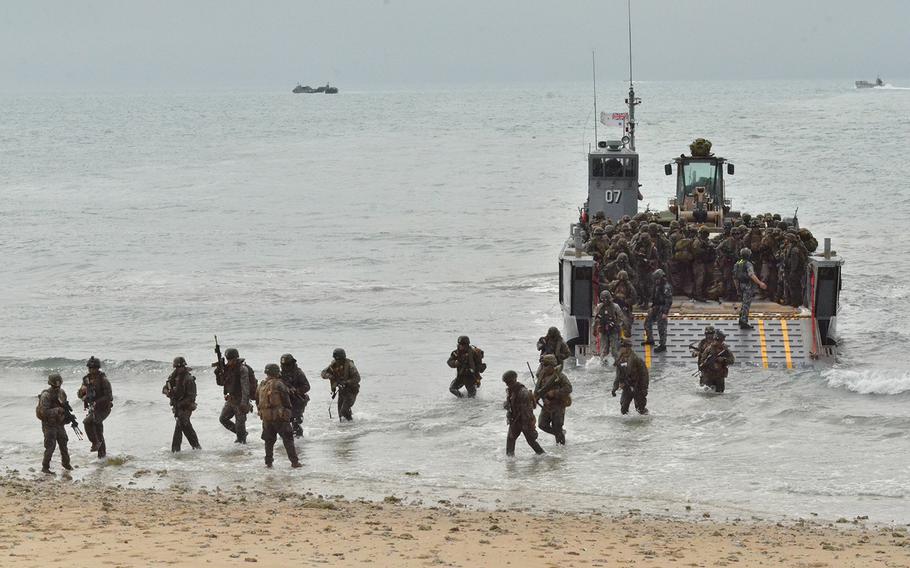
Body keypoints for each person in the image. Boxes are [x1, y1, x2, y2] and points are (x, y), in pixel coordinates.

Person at [256, 364, 302, 468]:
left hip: (266, 418)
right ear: (277, 372)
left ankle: (268, 463)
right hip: (280, 417)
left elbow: (257, 400)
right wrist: (288, 412)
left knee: (269, 441)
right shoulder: (279, 384)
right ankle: (294, 463)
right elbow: (286, 400)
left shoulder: (261, 384)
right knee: (288, 439)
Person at [215, 347, 254, 444]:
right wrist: (218, 373)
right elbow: (221, 383)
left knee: (240, 424)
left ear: (236, 358)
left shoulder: (242, 369)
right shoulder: (228, 369)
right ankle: (242, 434)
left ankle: (242, 448)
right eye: (228, 360)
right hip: (231, 399)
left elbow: (246, 388)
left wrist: (244, 403)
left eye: (231, 360)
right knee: (223, 419)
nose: (229, 362)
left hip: (241, 400)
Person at [36, 373, 73, 474]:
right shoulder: (46, 395)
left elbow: (65, 407)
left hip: (59, 423)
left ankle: (66, 464)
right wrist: (57, 410)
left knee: (64, 443)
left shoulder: (62, 393)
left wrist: (67, 417)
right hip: (49, 424)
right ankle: (45, 467)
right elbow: (44, 412)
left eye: (59, 384)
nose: (57, 387)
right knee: (50, 445)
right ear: (51, 384)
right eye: (55, 385)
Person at [502, 370, 545, 456]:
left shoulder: (523, 392)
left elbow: (527, 411)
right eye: (506, 382)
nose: (507, 384)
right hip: (515, 419)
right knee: (510, 440)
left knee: (531, 441)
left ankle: (543, 455)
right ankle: (510, 461)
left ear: (514, 380)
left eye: (509, 382)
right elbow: (510, 404)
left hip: (524, 420)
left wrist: (528, 425)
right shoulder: (510, 390)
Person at [162, 356, 200, 452]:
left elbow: (191, 397)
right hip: (177, 406)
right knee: (186, 427)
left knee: (180, 426)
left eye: (180, 367)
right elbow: (164, 389)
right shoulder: (173, 377)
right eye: (177, 368)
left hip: (186, 407)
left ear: (184, 366)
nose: (179, 369)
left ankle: (176, 451)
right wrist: (168, 392)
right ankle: (196, 448)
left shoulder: (189, 379)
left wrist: (180, 404)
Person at [78, 356, 113, 458]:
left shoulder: (103, 380)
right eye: (90, 368)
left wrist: (96, 402)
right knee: (98, 430)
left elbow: (109, 397)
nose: (92, 370)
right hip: (93, 408)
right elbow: (80, 395)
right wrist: (82, 392)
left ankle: (95, 443)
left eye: (94, 368)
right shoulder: (86, 380)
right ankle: (102, 456)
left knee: (88, 422)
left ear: (98, 368)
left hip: (103, 408)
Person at [534, 354, 572, 445]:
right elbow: (539, 390)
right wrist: (538, 397)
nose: (544, 367)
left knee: (557, 426)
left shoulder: (560, 376)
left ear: (552, 365)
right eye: (543, 365)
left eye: (546, 365)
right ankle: (559, 434)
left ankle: (561, 450)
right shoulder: (541, 376)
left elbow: (569, 388)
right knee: (542, 425)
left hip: (558, 405)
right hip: (547, 405)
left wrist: (555, 392)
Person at [321, 348, 361, 420]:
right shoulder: (334, 364)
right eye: (336, 359)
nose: (337, 361)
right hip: (342, 391)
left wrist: (346, 382)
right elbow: (323, 374)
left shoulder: (349, 365)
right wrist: (332, 377)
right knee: (340, 414)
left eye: (339, 359)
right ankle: (347, 428)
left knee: (344, 411)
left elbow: (357, 378)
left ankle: (351, 425)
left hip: (351, 390)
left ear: (343, 358)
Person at [734, 247, 768, 329]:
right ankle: (744, 322)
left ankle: (741, 319)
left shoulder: (738, 263)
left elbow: (734, 276)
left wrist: (737, 288)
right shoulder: (748, 264)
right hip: (747, 285)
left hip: (740, 284)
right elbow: (751, 275)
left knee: (743, 302)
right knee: (746, 304)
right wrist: (760, 283)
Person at [612, 339, 649, 415]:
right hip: (627, 387)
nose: (620, 349)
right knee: (624, 408)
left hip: (638, 386)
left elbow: (644, 374)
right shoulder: (620, 359)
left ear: (627, 348)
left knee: (640, 409)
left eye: (622, 347)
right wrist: (614, 388)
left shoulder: (636, 359)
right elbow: (618, 375)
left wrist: (644, 388)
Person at [279, 353, 310, 438]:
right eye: (284, 365)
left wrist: (296, 390)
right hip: (284, 402)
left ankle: (299, 441)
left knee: (296, 421)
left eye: (287, 365)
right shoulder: (280, 374)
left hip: (297, 401)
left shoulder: (298, 373)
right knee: (284, 423)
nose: (285, 367)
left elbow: (307, 387)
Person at [643, 268, 673, 352]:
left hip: (662, 308)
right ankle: (650, 339)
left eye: (657, 279)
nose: (656, 281)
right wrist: (651, 307)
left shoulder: (666, 287)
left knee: (661, 327)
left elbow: (669, 301)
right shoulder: (657, 285)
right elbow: (654, 297)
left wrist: (665, 312)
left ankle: (662, 345)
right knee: (647, 323)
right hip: (655, 307)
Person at [593, 290, 623, 359]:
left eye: (606, 299)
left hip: (614, 330)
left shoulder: (615, 307)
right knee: (604, 350)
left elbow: (621, 318)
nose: (604, 301)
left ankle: (617, 363)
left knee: (614, 350)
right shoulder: (599, 307)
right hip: (603, 330)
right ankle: (603, 363)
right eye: (603, 299)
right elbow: (596, 319)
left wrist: (614, 324)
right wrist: (594, 329)